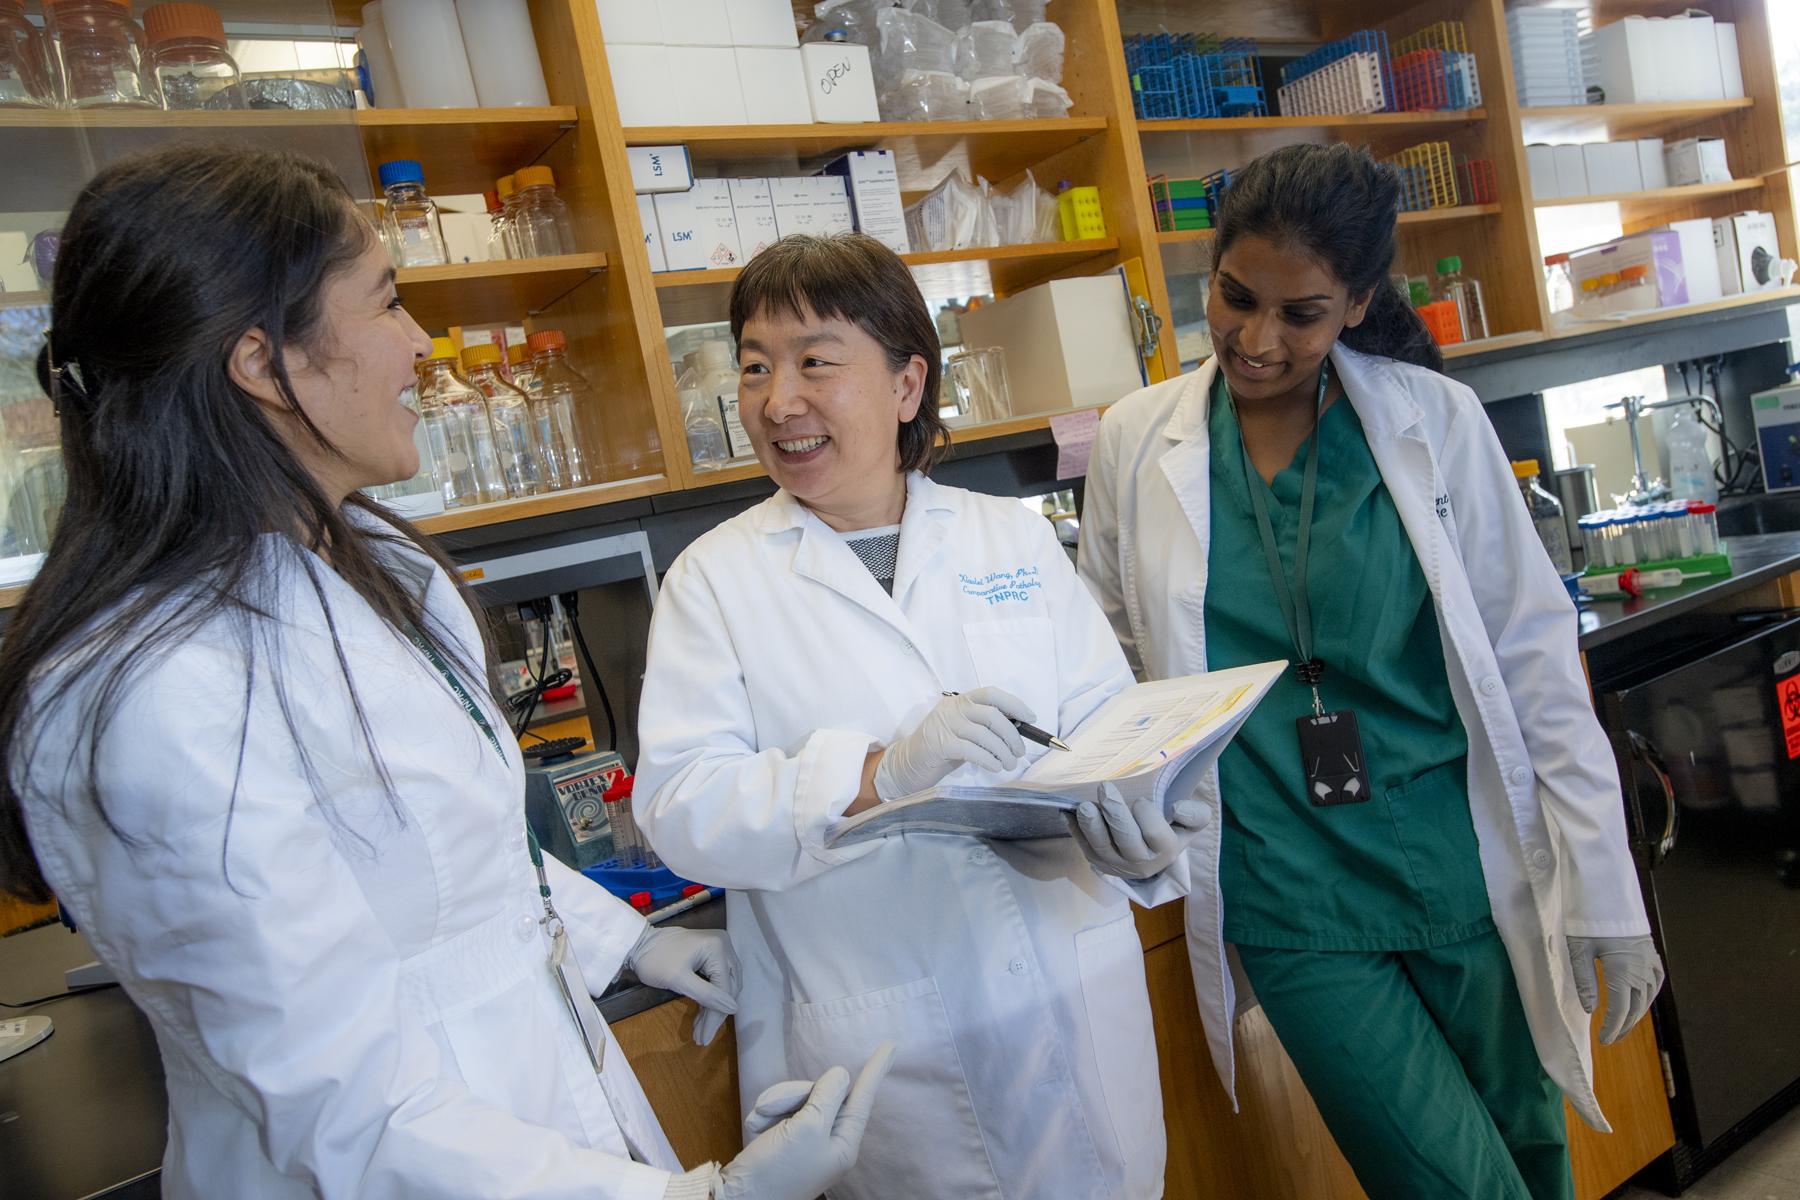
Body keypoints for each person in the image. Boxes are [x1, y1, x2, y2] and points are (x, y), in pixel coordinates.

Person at [0, 145, 891, 1200]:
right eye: (386, 304)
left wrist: (626, 945)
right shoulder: (155, 698)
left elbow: (453, 854)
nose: (422, 345)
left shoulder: (380, 573)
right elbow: (343, 1110)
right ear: (258, 361)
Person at [1077, 143, 1665, 1200]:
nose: (1258, 341)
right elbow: (1109, 656)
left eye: (1299, 314)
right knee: (1446, 1180)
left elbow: (1534, 663)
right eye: (1235, 298)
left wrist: (1608, 893)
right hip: (1283, 879)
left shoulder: (1431, 424)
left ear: (1356, 304)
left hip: (1458, 860)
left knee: (1531, 1154)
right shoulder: (1137, 440)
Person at [633, 233, 1211, 1200]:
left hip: (1070, 999)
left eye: (815, 361)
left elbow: (1109, 731)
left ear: (907, 384)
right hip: (882, 1048)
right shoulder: (716, 581)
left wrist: (1138, 828)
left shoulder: (1010, 541)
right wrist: (879, 774)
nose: (780, 401)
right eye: (754, 367)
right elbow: (682, 807)